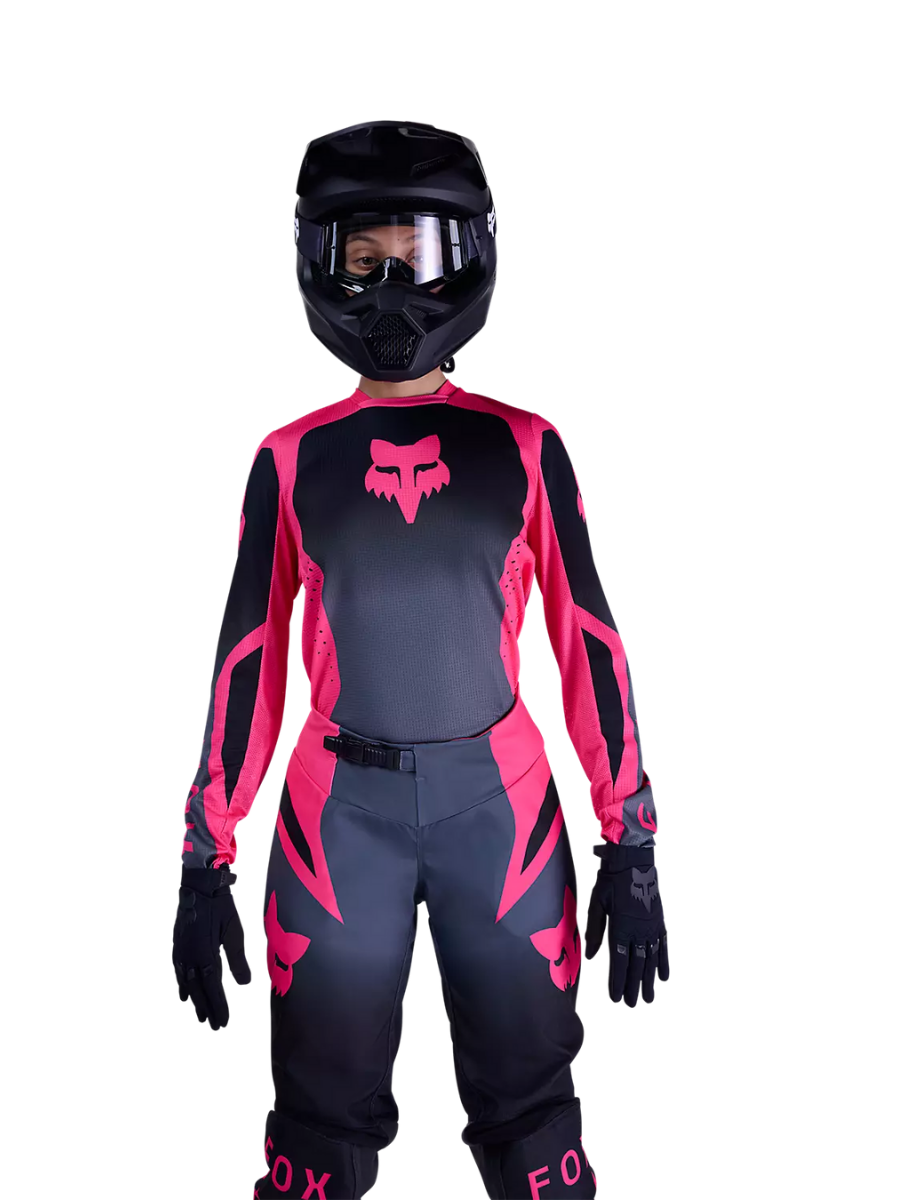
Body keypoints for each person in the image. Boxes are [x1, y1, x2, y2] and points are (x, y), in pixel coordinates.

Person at [171, 121, 670, 1200]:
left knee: (535, 1127)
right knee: (317, 1131)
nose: (393, 286)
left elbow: (587, 639)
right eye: (365, 258)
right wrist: (204, 851)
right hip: (339, 817)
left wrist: (630, 840)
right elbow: (248, 656)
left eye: (418, 254)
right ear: (321, 263)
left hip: (499, 807)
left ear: (469, 254)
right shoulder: (289, 459)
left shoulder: (525, 445)